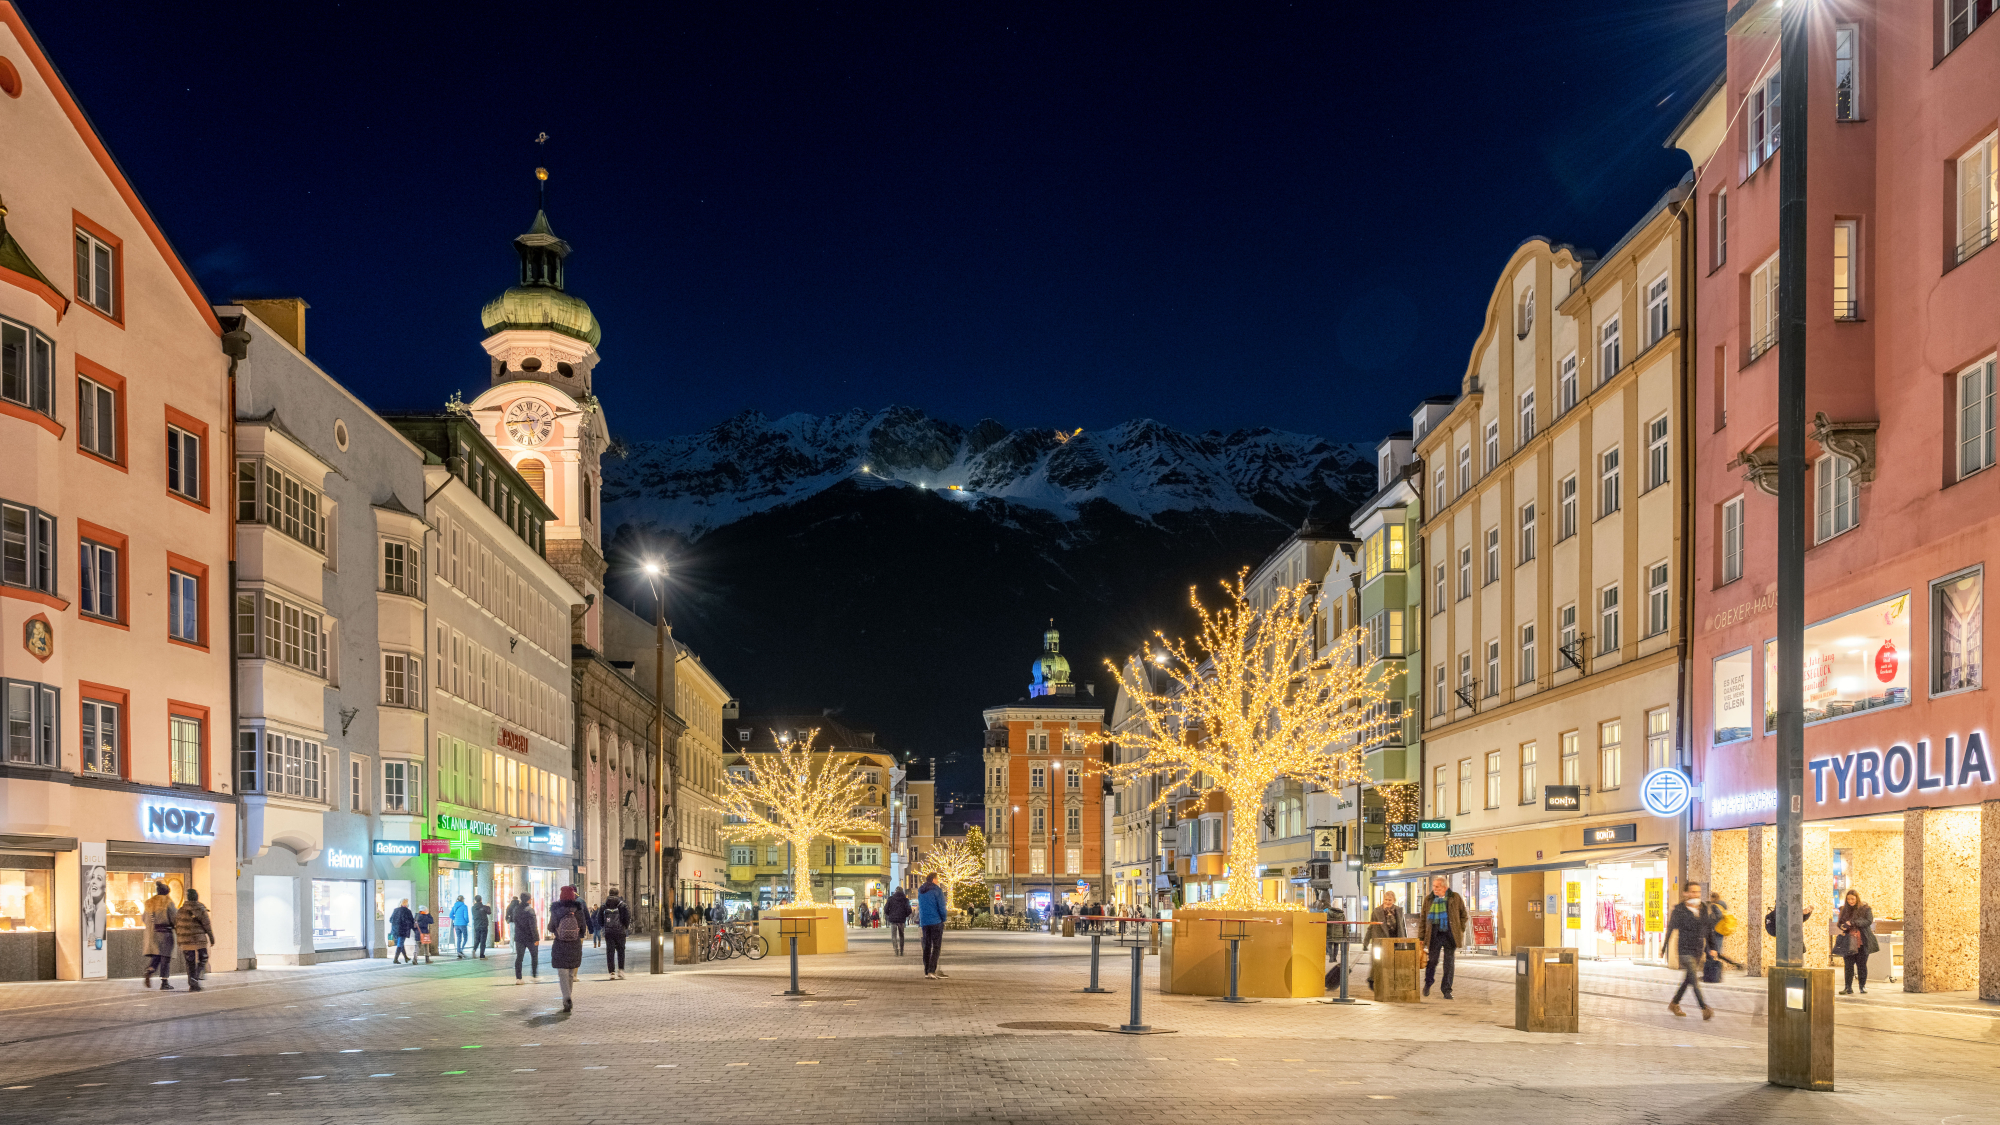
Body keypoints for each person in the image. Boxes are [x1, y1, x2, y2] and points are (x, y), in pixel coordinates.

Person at [1666, 880, 1717, 1019]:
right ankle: (1704, 1008)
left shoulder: (1703, 908)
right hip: (1684, 950)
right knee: (1693, 978)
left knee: (1689, 978)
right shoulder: (1679, 910)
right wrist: (1664, 947)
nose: (1696, 894)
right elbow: (1670, 928)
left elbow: (1709, 929)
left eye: (1698, 892)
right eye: (1693, 891)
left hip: (1697, 950)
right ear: (1685, 893)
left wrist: (1713, 948)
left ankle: (1674, 1003)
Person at [1417, 876, 1466, 1000]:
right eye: (1433, 886)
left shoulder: (1455, 897)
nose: (1435, 889)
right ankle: (1428, 983)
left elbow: (1463, 915)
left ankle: (1447, 989)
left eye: (1437, 886)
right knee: (1432, 961)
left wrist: (1460, 929)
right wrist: (1421, 937)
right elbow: (1423, 919)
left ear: (1445, 887)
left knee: (1449, 963)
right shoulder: (1429, 899)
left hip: (1450, 935)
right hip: (1435, 934)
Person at [548, 885, 591, 1012]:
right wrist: (578, 935)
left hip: (560, 944)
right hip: (574, 944)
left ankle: (566, 997)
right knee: (571, 973)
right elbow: (583, 928)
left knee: (562, 972)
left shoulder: (556, 909)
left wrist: (557, 931)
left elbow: (550, 927)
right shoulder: (578, 909)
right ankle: (569, 996)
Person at [1837, 889, 1878, 995]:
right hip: (1848, 941)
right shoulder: (1843, 909)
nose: (1850, 901)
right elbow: (1840, 922)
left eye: (1852, 899)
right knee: (1848, 965)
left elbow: (1868, 921)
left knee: (1862, 965)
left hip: (1862, 941)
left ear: (1857, 898)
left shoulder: (1865, 909)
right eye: (1848, 899)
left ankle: (1862, 986)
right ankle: (1848, 987)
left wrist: (1853, 922)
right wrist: (1841, 925)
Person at [172, 887, 213, 992]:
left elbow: (177, 925)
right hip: (198, 939)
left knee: (190, 962)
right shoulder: (200, 908)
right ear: (196, 897)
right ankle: (196, 977)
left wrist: (180, 938)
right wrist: (211, 936)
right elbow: (206, 924)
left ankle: (192, 984)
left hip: (185, 940)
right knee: (203, 957)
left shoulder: (181, 910)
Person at [1364, 890, 1403, 991]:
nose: (1388, 902)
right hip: (1380, 940)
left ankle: (1389, 983)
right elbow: (1371, 927)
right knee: (1377, 962)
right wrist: (1366, 942)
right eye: (1386, 899)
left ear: (1394, 900)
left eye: (1390, 900)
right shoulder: (1377, 911)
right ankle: (1372, 979)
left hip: (1394, 940)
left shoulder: (1399, 910)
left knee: (1392, 962)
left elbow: (1402, 926)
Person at [142, 882, 177, 990]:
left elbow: (144, 918)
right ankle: (164, 982)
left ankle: (150, 970)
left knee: (156, 955)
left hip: (153, 934)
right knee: (165, 958)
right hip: (165, 933)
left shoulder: (150, 903)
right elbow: (174, 918)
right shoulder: (167, 902)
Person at [597, 887, 631, 980]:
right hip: (620, 932)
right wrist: (625, 927)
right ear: (618, 894)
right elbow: (627, 918)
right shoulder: (622, 905)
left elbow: (599, 919)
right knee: (621, 951)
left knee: (610, 951)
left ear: (609, 893)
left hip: (609, 932)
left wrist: (604, 927)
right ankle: (621, 971)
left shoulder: (604, 905)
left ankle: (611, 972)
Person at [918, 873, 947, 979]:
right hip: (936, 921)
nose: (938, 880)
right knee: (936, 947)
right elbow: (941, 906)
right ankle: (932, 970)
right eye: (937, 879)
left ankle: (926, 971)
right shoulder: (937, 890)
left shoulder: (921, 890)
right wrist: (943, 918)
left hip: (925, 922)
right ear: (934, 879)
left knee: (926, 946)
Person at [513, 897, 542, 984]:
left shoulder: (516, 909)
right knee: (534, 956)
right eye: (530, 899)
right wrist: (536, 938)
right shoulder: (530, 910)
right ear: (527, 900)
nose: (531, 900)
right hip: (530, 938)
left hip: (519, 937)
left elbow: (514, 921)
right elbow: (533, 926)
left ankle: (519, 978)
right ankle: (534, 976)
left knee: (519, 958)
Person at [883, 886, 912, 955]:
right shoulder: (905, 900)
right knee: (901, 935)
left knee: (894, 935)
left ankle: (896, 949)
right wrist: (905, 915)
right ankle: (901, 950)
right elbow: (909, 910)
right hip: (901, 920)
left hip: (893, 920)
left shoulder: (891, 899)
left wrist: (889, 915)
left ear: (895, 891)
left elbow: (886, 909)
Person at [388, 899, 416, 964]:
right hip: (403, 931)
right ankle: (395, 959)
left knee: (400, 944)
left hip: (395, 931)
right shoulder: (408, 911)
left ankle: (406, 957)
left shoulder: (395, 910)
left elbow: (390, 920)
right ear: (406, 904)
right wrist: (415, 930)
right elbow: (411, 922)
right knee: (400, 944)